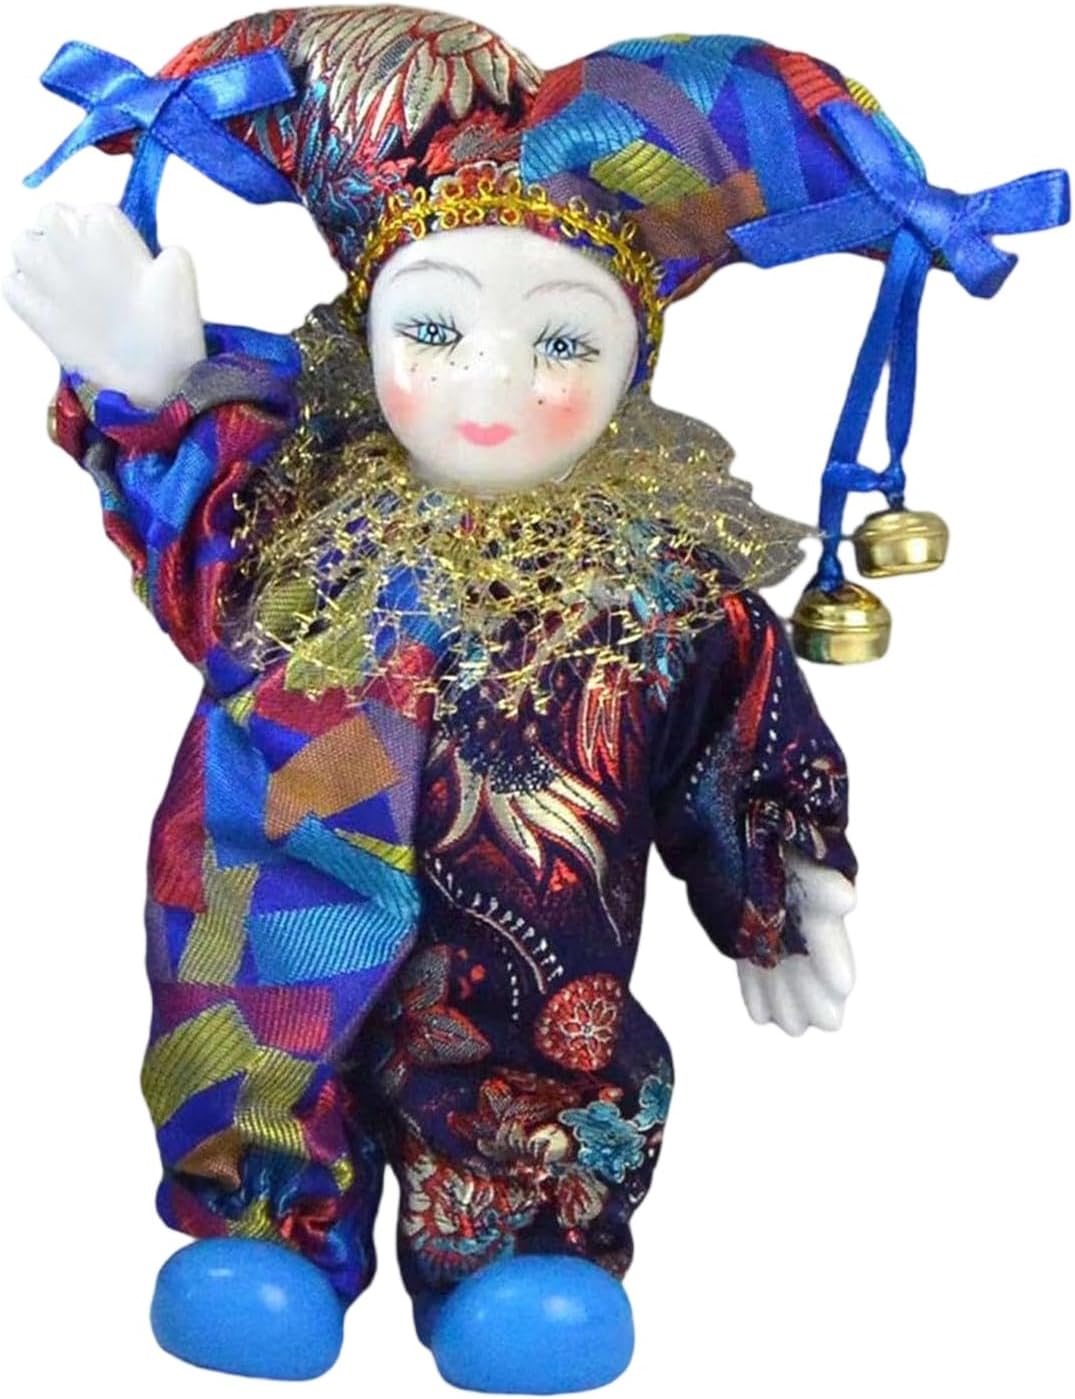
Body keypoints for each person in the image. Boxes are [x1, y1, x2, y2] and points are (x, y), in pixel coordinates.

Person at [5, 6, 1064, 1392]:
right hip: (270, 899)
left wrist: (778, 875)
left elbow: (737, 721)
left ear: (630, 360)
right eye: (435, 327)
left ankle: (520, 1245)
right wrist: (149, 393)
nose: (490, 383)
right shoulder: (307, 522)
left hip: (535, 946)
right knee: (249, 1026)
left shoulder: (657, 588)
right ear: (370, 334)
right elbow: (200, 556)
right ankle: (263, 1226)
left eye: (560, 341)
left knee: (541, 1051)